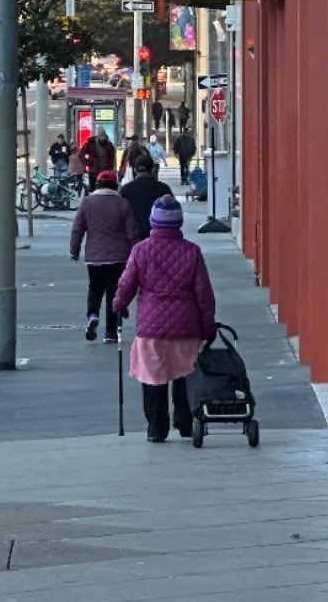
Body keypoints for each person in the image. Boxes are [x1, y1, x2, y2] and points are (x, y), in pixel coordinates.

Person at [113, 190, 217, 443]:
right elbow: (204, 293)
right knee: (183, 375)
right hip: (185, 326)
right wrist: (208, 326)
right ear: (178, 222)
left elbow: (126, 284)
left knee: (153, 378)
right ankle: (184, 422)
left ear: (153, 221)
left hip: (151, 328)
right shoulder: (192, 252)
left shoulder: (141, 250)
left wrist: (119, 304)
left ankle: (156, 428)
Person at [68, 168, 135, 343]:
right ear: (115, 185)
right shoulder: (123, 203)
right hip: (118, 257)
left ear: (97, 184)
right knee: (114, 293)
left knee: (95, 289)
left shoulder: (87, 202)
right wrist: (136, 253)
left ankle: (92, 315)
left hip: (94, 256)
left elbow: (77, 229)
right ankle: (110, 333)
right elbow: (132, 233)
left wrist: (74, 251)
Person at [120, 145, 171, 245]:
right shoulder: (163, 189)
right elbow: (173, 214)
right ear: (153, 169)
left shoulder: (126, 190)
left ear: (135, 170)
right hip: (160, 240)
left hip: (133, 241)